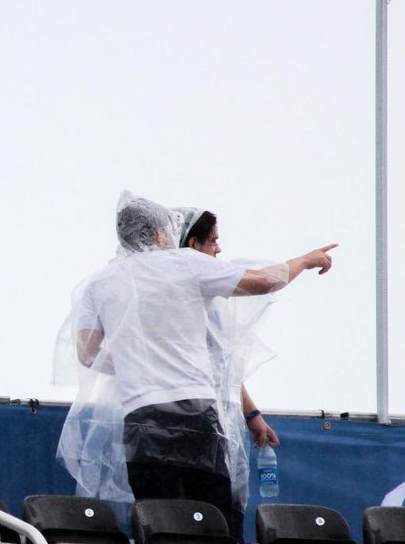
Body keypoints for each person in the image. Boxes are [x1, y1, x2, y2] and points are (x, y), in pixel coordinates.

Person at [55, 191, 334, 525]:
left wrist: (137, 363)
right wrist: (304, 260)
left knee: (160, 519)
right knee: (210, 517)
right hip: (194, 412)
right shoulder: (185, 264)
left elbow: (87, 354)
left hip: (140, 417)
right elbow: (264, 282)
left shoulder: (99, 283)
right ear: (160, 233)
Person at [175, 207, 279, 540]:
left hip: (223, 423)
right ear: (193, 244)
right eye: (213, 241)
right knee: (202, 521)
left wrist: (251, 414)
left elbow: (223, 365)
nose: (219, 249)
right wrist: (304, 262)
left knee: (228, 520)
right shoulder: (180, 300)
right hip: (194, 425)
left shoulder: (213, 301)